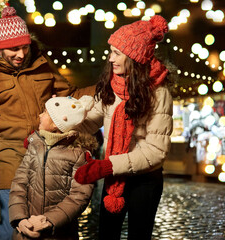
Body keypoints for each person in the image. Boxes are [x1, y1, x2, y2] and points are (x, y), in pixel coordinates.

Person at [0, 6, 95, 239]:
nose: (20, 54)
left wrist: (106, 88)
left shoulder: (42, 66)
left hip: (50, 160)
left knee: (55, 227)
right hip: (12, 163)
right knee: (13, 229)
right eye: (13, 49)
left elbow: (71, 95)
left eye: (24, 47)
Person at [74, 15, 173, 240]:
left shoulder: (159, 93)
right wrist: (55, 131)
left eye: (116, 53)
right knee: (107, 234)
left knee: (139, 235)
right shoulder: (113, 85)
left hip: (144, 180)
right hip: (115, 176)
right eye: (111, 52)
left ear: (134, 56)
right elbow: (90, 121)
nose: (110, 59)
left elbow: (155, 152)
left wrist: (106, 166)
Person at [9, 96, 96, 239]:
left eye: (45, 112)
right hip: (26, 230)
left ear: (56, 124)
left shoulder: (79, 154)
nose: (40, 115)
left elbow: (79, 196)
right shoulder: (34, 145)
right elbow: (19, 184)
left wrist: (48, 220)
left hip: (59, 233)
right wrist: (20, 219)